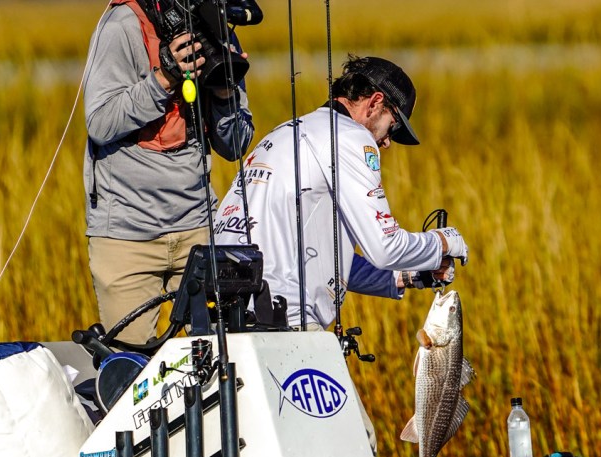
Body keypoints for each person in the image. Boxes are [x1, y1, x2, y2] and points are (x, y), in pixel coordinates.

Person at [213, 55, 468, 330]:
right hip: (279, 320)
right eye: (393, 127)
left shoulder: (283, 132)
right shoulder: (350, 136)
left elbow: (326, 259)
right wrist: (444, 241)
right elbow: (385, 247)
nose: (387, 143)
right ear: (375, 103)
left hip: (222, 313)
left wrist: (409, 276)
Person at [82, 0, 255, 345]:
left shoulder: (219, 32)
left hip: (198, 227)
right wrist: (164, 78)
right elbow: (100, 123)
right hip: (127, 235)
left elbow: (235, 144)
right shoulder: (121, 25)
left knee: (215, 356)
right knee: (131, 364)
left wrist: (224, 93)